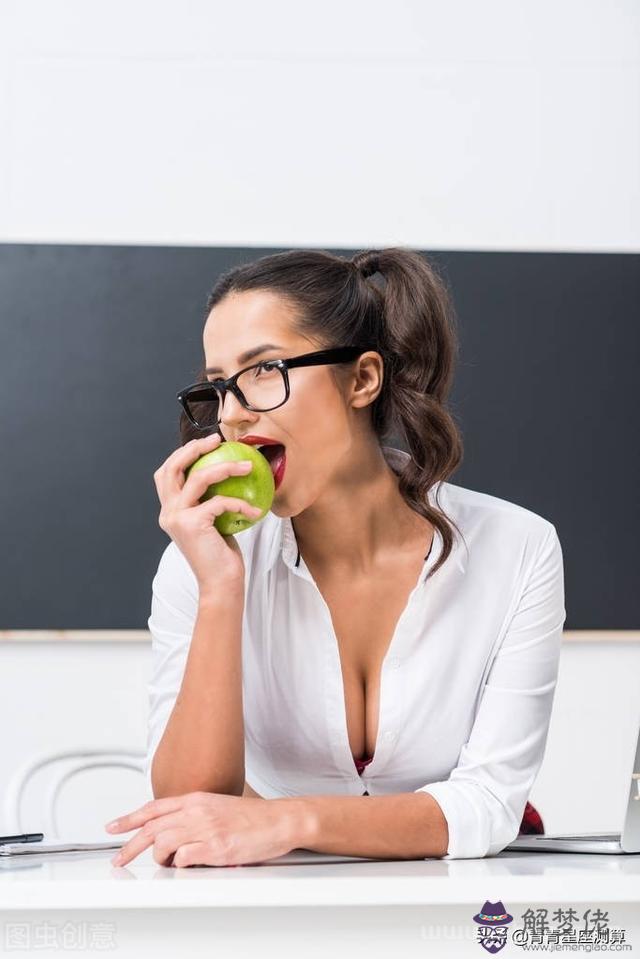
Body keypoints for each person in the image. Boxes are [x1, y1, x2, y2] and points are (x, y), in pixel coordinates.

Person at [105, 247, 566, 868]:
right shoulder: (204, 558)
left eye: (264, 370)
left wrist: (287, 818)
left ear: (362, 378)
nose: (233, 414)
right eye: (219, 386)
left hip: (460, 906)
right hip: (284, 904)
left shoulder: (518, 549)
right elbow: (192, 809)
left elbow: (487, 804)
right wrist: (219, 590)